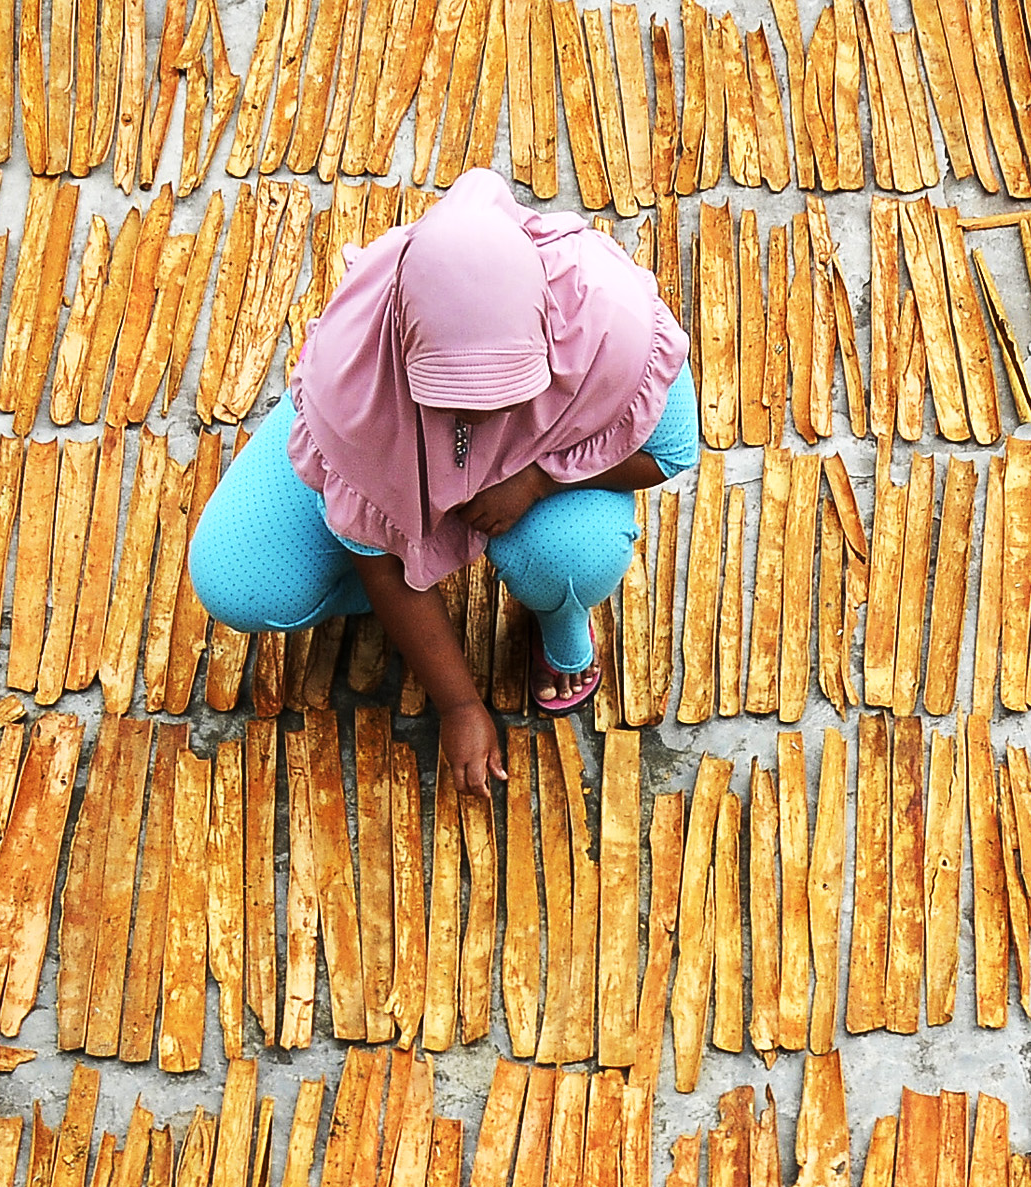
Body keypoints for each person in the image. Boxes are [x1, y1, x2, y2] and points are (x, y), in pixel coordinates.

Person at [185, 168, 698, 793]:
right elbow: (375, 555)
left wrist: (537, 480)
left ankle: (557, 619)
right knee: (235, 583)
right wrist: (459, 705)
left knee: (568, 556)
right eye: (452, 399)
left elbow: (672, 452)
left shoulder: (610, 319)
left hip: (536, 492)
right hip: (374, 445)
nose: (481, 418)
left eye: (507, 393)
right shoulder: (355, 380)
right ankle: (415, 559)